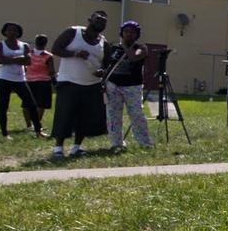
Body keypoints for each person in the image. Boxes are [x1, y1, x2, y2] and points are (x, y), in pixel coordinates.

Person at [50, 11, 110, 158]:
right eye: (98, 19)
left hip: (92, 84)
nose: (100, 22)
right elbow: (55, 49)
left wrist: (102, 72)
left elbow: (107, 64)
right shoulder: (73, 32)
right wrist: (75, 54)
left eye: (104, 21)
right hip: (69, 81)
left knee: (85, 117)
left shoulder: (104, 43)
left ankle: (76, 147)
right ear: (90, 19)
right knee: (65, 114)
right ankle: (58, 148)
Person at [102, 20, 153, 152]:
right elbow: (107, 65)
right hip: (113, 85)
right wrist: (103, 79)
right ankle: (117, 143)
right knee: (113, 115)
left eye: (132, 32)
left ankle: (145, 143)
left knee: (136, 114)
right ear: (121, 33)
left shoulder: (141, 48)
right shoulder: (113, 48)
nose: (129, 34)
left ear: (137, 35)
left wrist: (125, 46)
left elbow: (133, 58)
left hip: (132, 86)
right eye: (126, 32)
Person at [0, 22, 44, 139]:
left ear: (18, 33)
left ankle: (38, 131)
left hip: (20, 79)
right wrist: (18, 59)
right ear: (5, 32)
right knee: (3, 106)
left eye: (15, 30)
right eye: (9, 30)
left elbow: (28, 62)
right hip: (3, 79)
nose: (12, 32)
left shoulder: (24, 45)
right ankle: (5, 134)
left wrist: (10, 59)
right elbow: (0, 60)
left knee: (31, 104)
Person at [22, 34, 56, 131]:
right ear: (46, 43)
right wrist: (54, 78)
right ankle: (37, 124)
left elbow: (24, 66)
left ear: (35, 42)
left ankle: (28, 125)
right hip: (43, 82)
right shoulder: (48, 56)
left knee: (26, 104)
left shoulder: (29, 53)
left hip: (28, 81)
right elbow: (51, 71)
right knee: (41, 104)